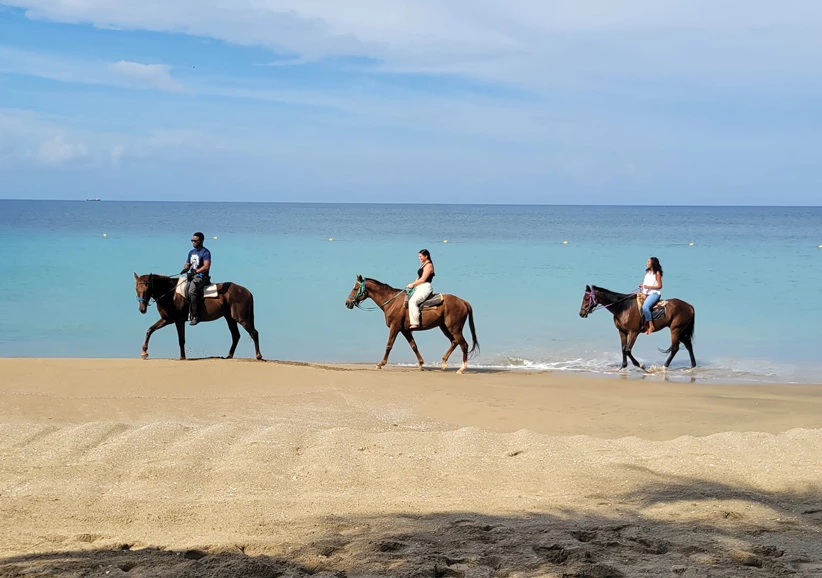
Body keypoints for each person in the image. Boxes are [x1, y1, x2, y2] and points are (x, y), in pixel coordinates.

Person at [181, 232, 211, 326]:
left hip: (202, 277)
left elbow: (206, 266)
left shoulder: (205, 252)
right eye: (192, 241)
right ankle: (187, 312)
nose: (193, 242)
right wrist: (185, 268)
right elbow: (188, 263)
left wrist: (196, 272)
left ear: (201, 241)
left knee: (192, 291)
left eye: (195, 241)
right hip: (192, 276)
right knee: (184, 290)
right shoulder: (191, 252)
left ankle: (196, 316)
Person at [406, 249, 435, 330]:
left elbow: (423, 279)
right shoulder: (423, 265)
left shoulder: (429, 265)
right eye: (419, 256)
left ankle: (415, 323)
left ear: (426, 256)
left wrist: (412, 284)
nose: (419, 258)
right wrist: (413, 284)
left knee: (413, 301)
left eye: (420, 256)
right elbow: (418, 278)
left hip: (425, 287)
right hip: (419, 287)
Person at [639, 256, 663, 335]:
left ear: (652, 263)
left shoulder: (657, 273)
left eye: (648, 262)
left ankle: (651, 326)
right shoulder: (647, 272)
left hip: (654, 293)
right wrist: (643, 285)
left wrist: (649, 287)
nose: (647, 263)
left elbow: (660, 286)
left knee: (645, 307)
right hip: (645, 292)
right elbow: (647, 283)